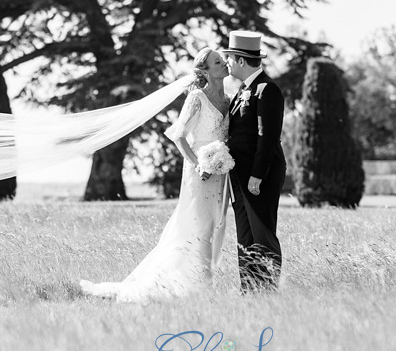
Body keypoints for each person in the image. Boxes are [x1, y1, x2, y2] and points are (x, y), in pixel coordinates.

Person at [79, 48, 233, 303]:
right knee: (198, 226)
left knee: (217, 225)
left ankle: (193, 283)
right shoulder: (196, 98)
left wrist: (221, 161)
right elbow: (179, 136)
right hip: (199, 170)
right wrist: (199, 165)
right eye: (218, 61)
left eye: (223, 60)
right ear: (205, 71)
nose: (224, 63)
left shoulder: (229, 99)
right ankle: (199, 288)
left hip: (221, 172)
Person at [222, 31, 286, 293]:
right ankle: (249, 288)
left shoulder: (266, 90)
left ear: (239, 61)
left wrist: (258, 175)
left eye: (229, 58)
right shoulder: (243, 90)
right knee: (245, 235)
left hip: (260, 175)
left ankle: (268, 288)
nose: (227, 63)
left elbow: (267, 137)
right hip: (240, 176)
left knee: (262, 232)